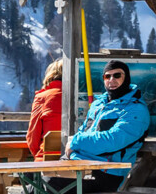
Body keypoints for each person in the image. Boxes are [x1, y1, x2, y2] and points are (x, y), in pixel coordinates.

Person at [64, 60, 151, 192]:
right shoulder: (98, 104)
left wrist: (75, 142)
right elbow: (83, 130)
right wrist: (75, 143)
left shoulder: (135, 110)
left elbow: (113, 140)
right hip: (80, 163)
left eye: (117, 75)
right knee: (33, 180)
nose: (111, 80)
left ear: (126, 78)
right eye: (107, 76)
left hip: (107, 171)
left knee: (48, 184)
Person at [26, 59, 63, 159]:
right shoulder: (79, 97)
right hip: (78, 159)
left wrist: (37, 156)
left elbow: (33, 137)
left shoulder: (43, 98)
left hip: (47, 158)